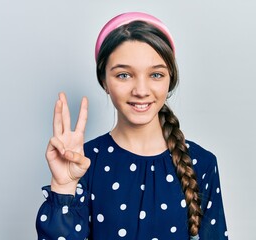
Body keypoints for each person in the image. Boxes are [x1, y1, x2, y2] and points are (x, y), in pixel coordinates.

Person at [36, 12, 228, 240]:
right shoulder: (82, 163)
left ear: (170, 80)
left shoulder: (201, 163)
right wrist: (63, 187)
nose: (141, 90)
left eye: (156, 74)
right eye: (124, 75)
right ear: (104, 81)